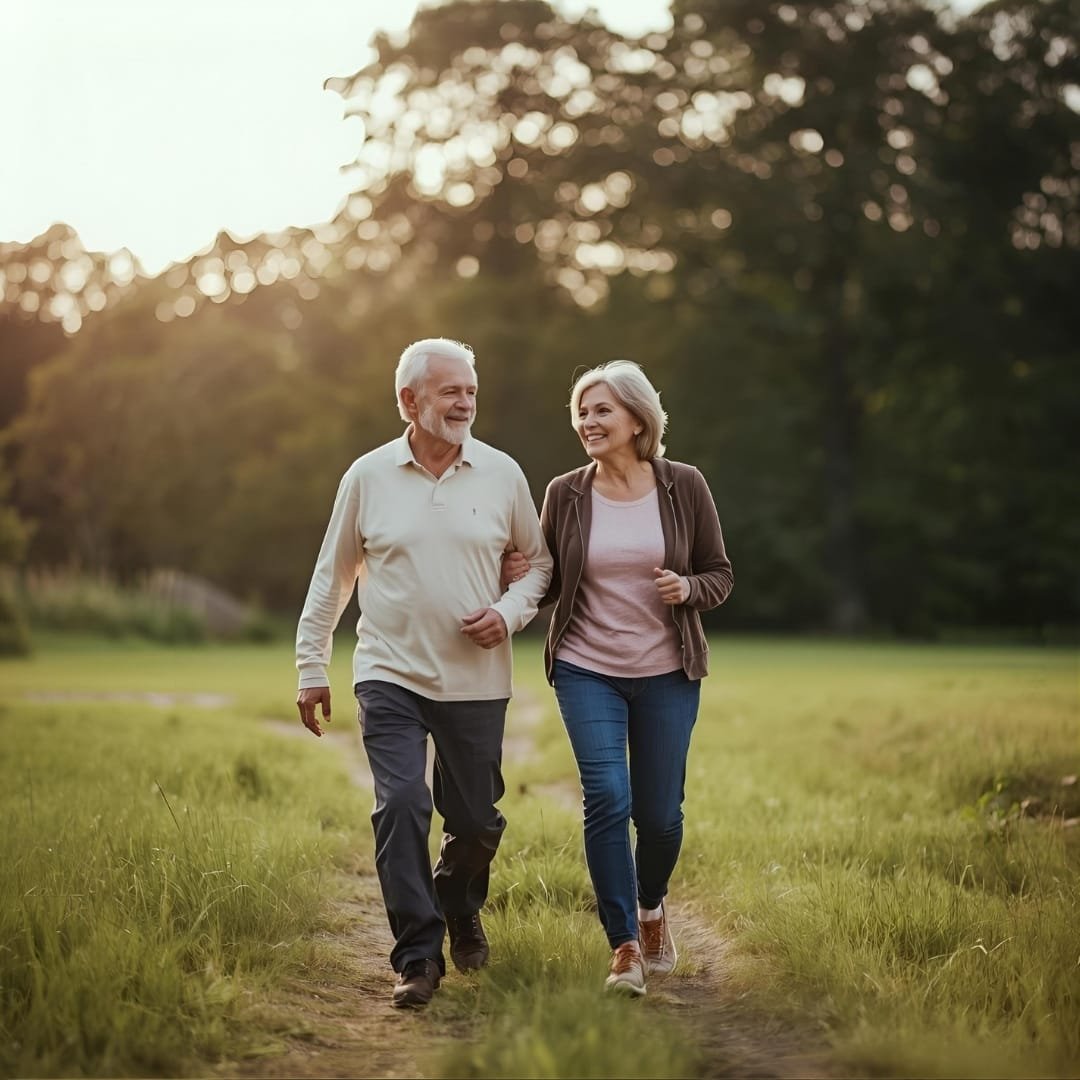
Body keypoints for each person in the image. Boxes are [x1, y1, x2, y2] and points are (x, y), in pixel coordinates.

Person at [296, 337, 552, 1009]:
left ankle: (458, 902)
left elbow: (540, 563)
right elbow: (333, 578)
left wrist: (510, 610)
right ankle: (417, 957)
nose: (465, 402)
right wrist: (310, 666)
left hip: (477, 679)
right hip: (389, 672)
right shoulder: (368, 476)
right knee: (403, 804)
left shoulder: (502, 474)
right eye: (450, 391)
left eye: (470, 391)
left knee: (474, 821)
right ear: (409, 401)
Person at [503, 360, 733, 996]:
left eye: (601, 410)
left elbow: (720, 572)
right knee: (607, 796)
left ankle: (651, 904)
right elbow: (548, 579)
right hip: (586, 667)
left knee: (660, 817)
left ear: (638, 419)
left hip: (668, 671)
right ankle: (625, 945)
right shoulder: (566, 492)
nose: (588, 421)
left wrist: (687, 587)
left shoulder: (683, 485)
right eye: (581, 410)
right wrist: (516, 573)